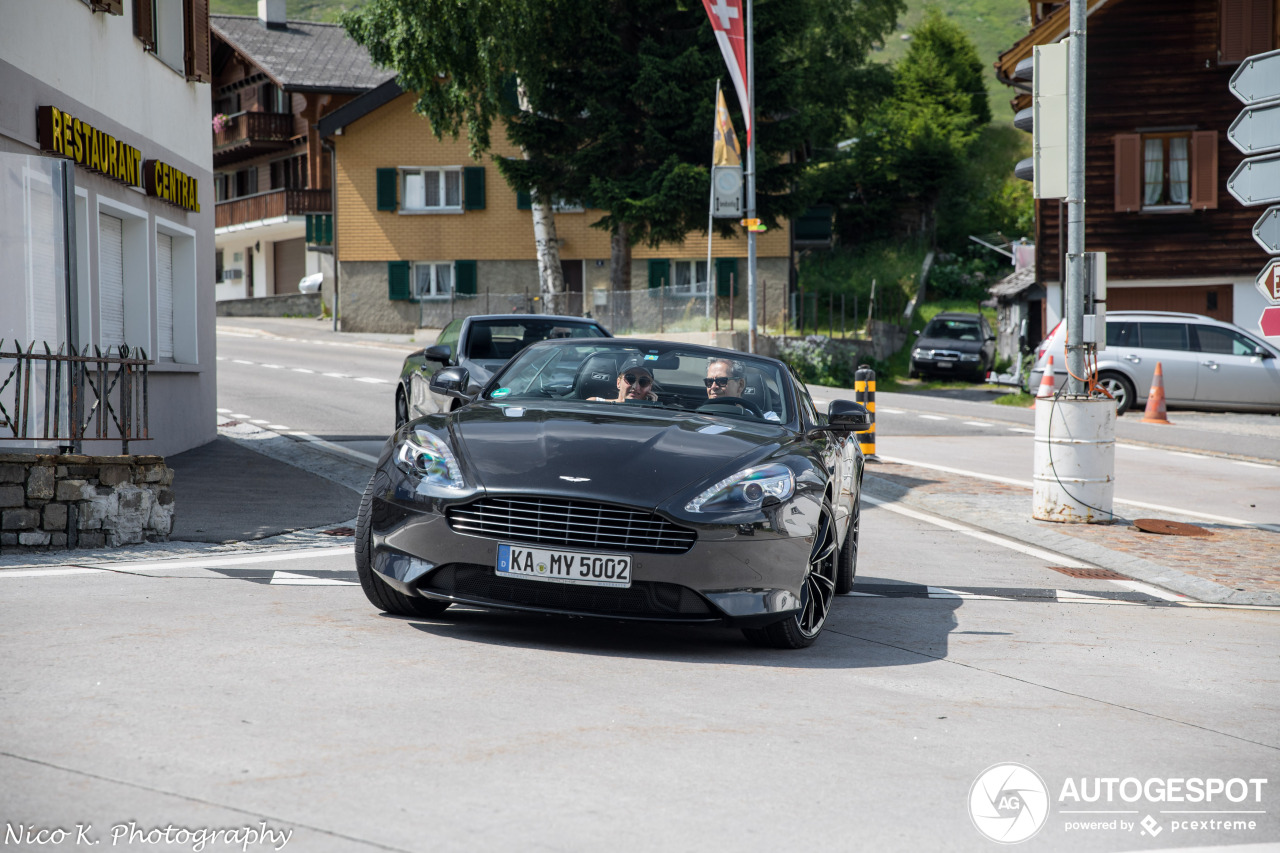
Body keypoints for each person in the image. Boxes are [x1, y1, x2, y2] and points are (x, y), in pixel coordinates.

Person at [589, 356, 659, 403]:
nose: (635, 387)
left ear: (650, 388)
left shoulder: (656, 414)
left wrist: (652, 407)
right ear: (618, 383)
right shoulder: (595, 403)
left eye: (643, 381)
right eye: (630, 379)